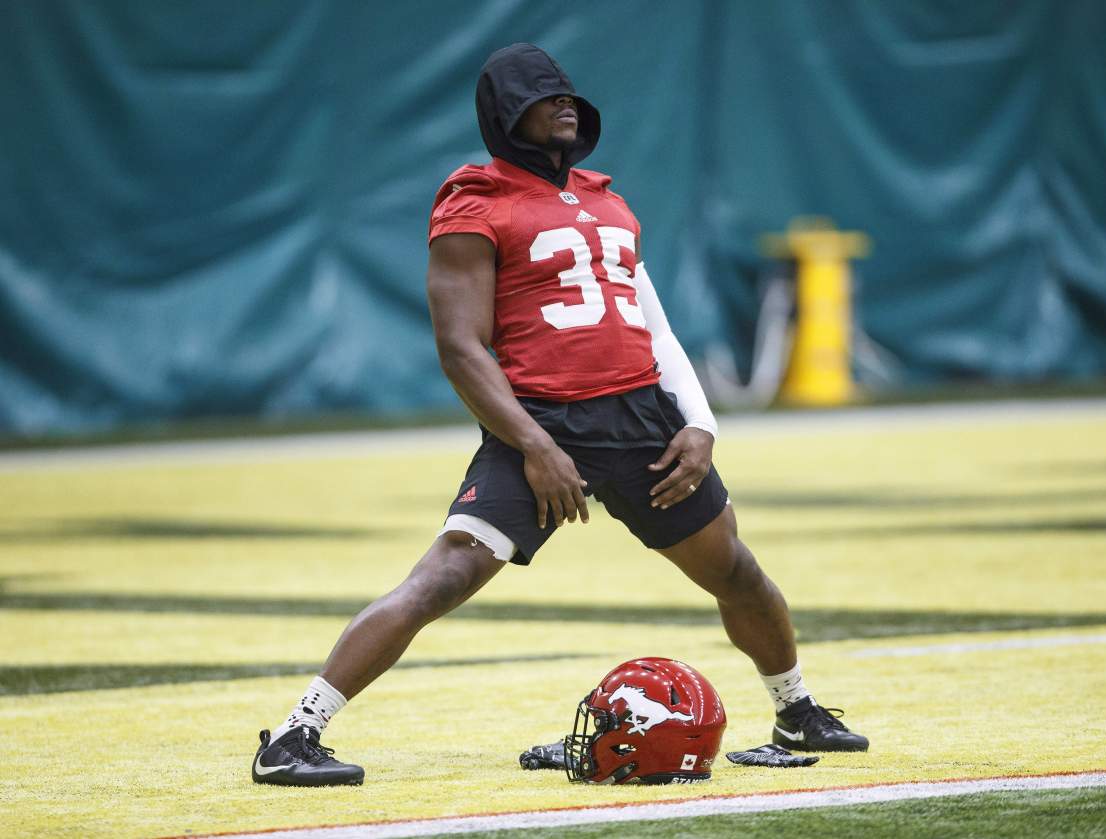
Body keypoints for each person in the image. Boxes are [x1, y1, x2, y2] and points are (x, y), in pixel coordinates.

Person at [251, 42, 868, 787]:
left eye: (569, 95)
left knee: (738, 572)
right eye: (547, 98)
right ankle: (294, 733)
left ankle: (794, 708)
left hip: (641, 416)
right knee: (444, 576)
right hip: (541, 419)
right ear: (509, 117)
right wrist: (535, 444)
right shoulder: (473, 200)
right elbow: (460, 346)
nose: (567, 105)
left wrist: (700, 423)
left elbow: (655, 324)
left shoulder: (608, 199)